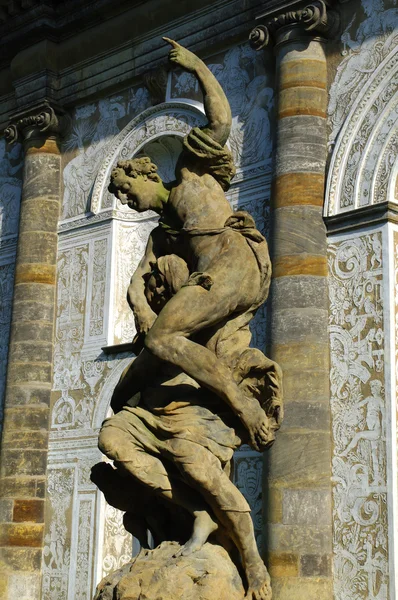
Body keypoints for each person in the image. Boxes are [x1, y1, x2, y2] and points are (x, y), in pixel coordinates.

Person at [97, 38, 282, 600]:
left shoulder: (190, 177)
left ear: (144, 170)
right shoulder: (161, 237)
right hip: (209, 285)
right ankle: (192, 516)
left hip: (234, 264)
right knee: (116, 425)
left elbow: (221, 120)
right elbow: (141, 294)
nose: (124, 199)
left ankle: (239, 403)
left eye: (124, 187)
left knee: (164, 335)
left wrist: (197, 67)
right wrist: (134, 287)